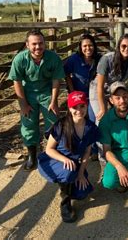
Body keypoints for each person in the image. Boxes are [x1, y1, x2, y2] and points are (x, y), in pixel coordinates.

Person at [37, 91, 98, 223]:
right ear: (69, 108)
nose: (78, 110)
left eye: (82, 106)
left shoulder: (90, 127)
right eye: (74, 107)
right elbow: (49, 149)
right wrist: (64, 159)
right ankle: (65, 203)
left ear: (86, 106)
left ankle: (71, 183)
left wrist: (81, 174)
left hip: (73, 163)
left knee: (82, 193)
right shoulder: (61, 125)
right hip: (54, 159)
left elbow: (87, 152)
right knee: (68, 172)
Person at [8, 29, 65, 171]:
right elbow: (17, 82)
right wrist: (23, 104)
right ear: (27, 45)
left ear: (45, 44)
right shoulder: (20, 59)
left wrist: (53, 101)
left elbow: (56, 80)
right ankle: (32, 156)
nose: (38, 47)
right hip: (28, 93)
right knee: (28, 124)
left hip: (47, 92)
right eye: (34, 44)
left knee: (53, 121)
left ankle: (52, 153)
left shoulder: (53, 58)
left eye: (40, 43)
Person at [91, 34, 128, 122]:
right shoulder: (107, 59)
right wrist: (103, 108)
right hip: (99, 89)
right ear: (118, 46)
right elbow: (99, 86)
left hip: (116, 90)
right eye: (124, 46)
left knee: (123, 113)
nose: (126, 49)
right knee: (102, 118)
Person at [64, 33, 101, 122]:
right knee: (78, 119)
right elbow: (66, 73)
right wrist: (72, 91)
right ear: (80, 47)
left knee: (94, 119)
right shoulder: (74, 59)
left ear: (94, 46)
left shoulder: (99, 59)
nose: (88, 48)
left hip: (95, 95)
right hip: (78, 94)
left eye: (90, 45)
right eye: (85, 46)